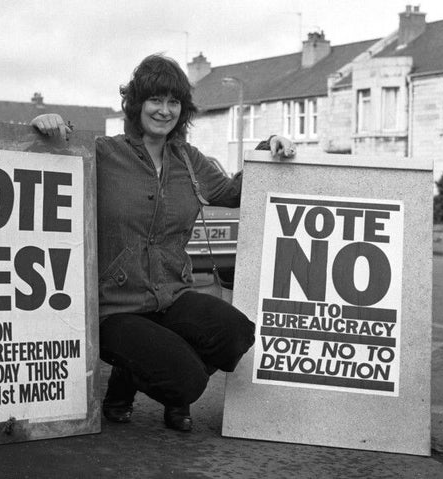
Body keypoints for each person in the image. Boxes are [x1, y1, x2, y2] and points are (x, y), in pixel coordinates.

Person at [32, 54, 295, 432]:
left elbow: (237, 191)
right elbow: (45, 166)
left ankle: (140, 374)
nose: (164, 110)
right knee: (187, 381)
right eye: (156, 100)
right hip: (115, 307)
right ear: (137, 104)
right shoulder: (102, 153)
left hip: (171, 295)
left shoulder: (188, 160)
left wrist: (270, 146)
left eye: (174, 102)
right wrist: (45, 128)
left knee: (236, 332)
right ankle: (162, 380)